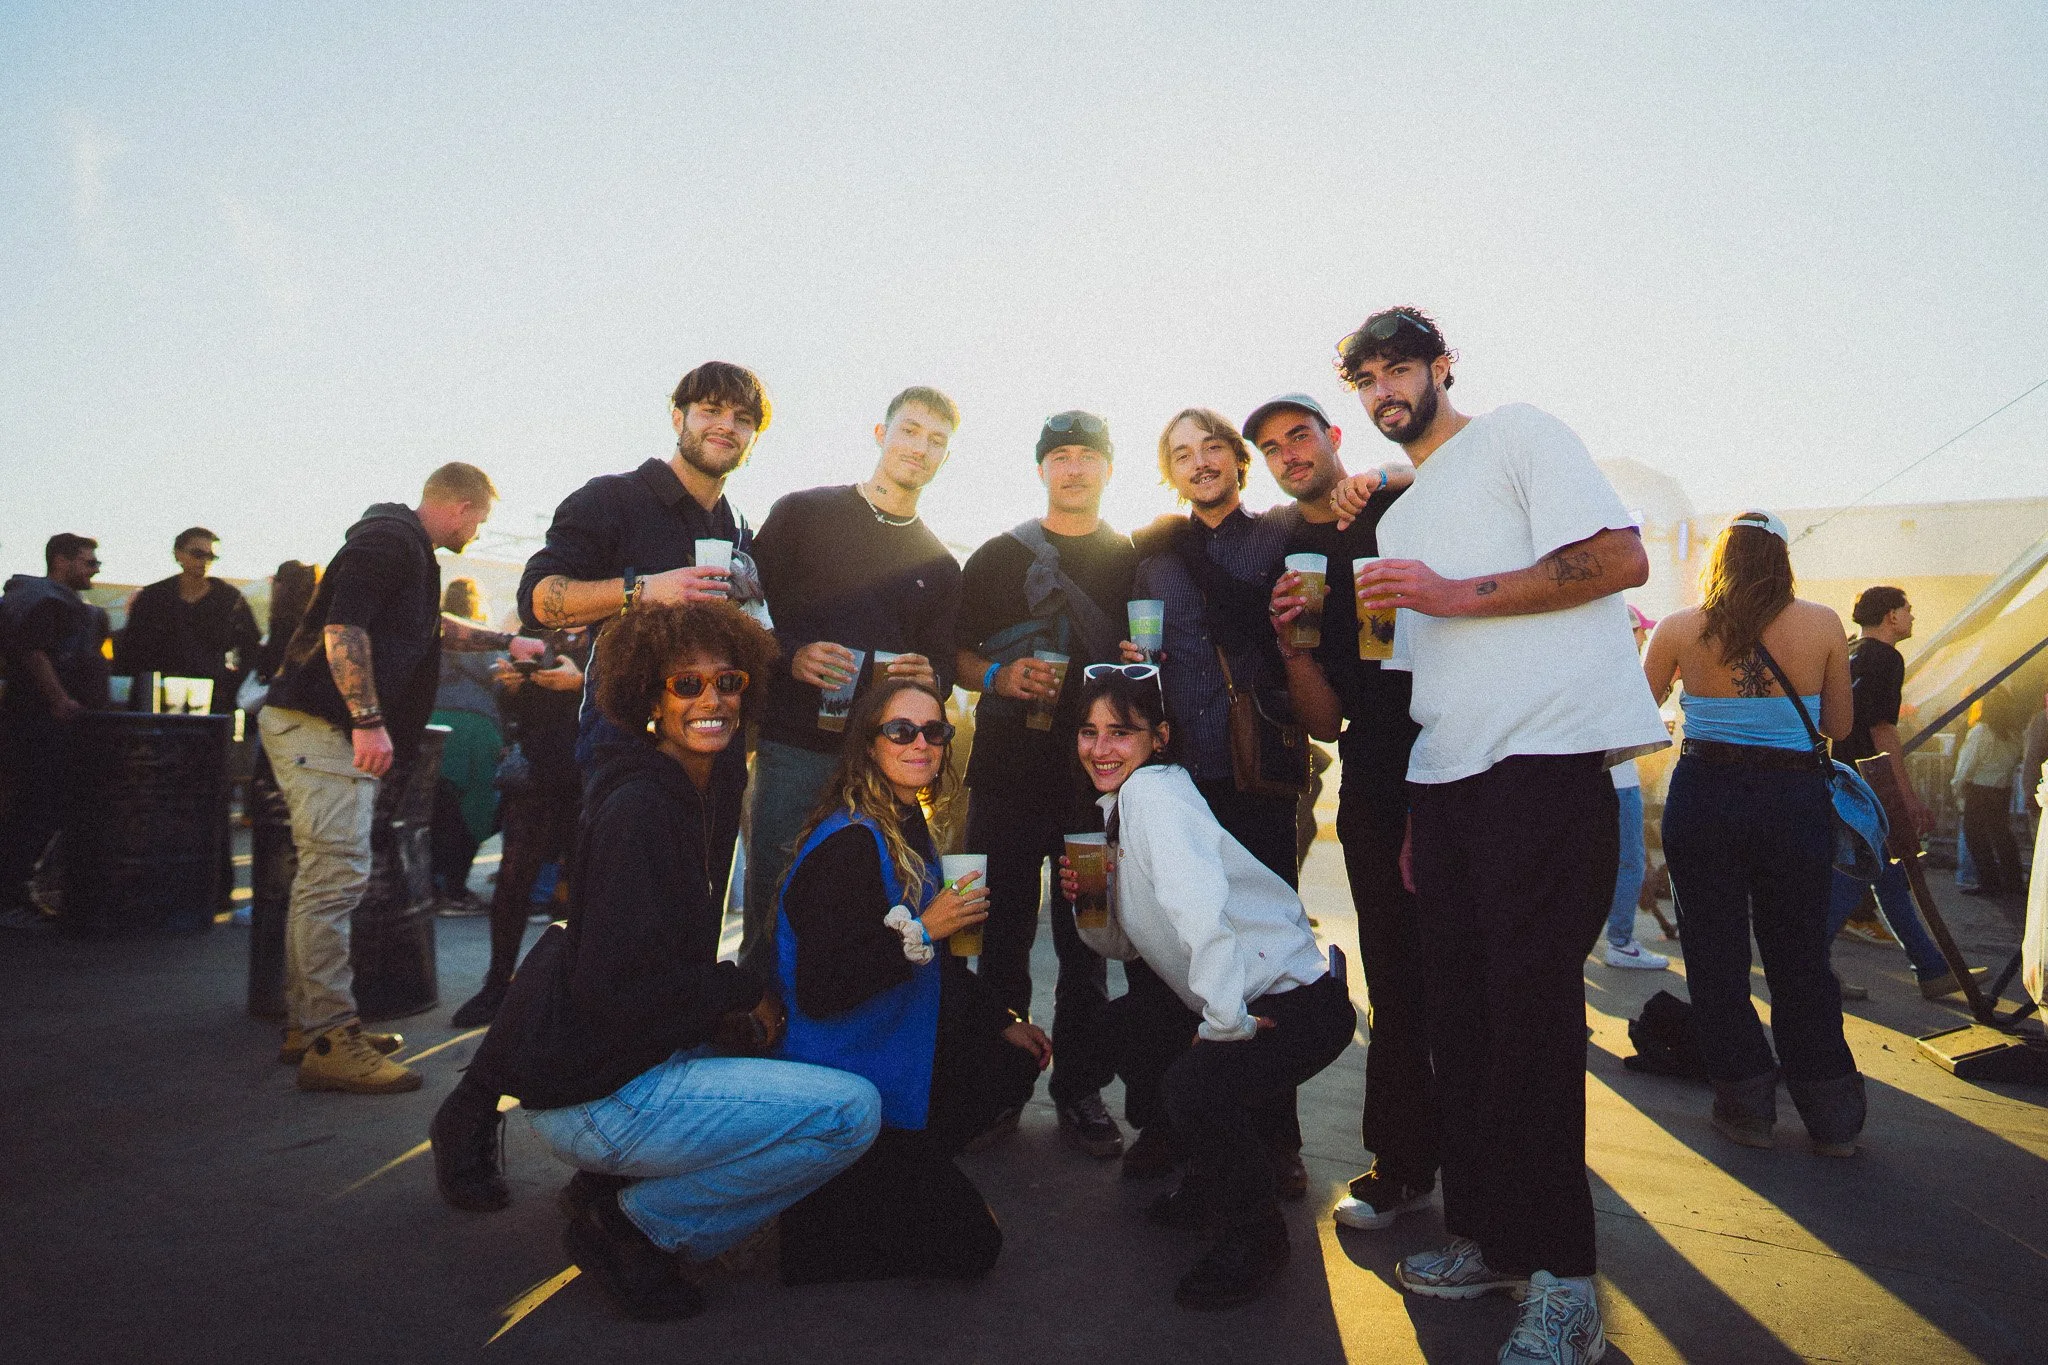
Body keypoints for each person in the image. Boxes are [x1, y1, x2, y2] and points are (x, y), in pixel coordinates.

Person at [1334, 306, 1669, 1365]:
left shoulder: (1520, 433)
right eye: (1365, 380)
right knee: (1461, 1031)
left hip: (1544, 768)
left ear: (1441, 366)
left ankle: (1565, 1282)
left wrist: (1453, 592)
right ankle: (1490, 1240)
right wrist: (1414, 807)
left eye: (1398, 369)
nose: (1384, 392)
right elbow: (1419, 680)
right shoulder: (1395, 522)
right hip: (1446, 788)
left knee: (1529, 1030)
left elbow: (1618, 558)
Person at [435, 601, 880, 1322]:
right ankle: (638, 1225)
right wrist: (736, 991)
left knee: (778, 1051)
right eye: (686, 685)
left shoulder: (687, 788)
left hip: (608, 1072)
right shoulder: (643, 808)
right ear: (650, 699)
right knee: (850, 1114)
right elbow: (614, 987)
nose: (712, 700)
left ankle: (612, 1188)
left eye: (728, 682)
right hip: (598, 1094)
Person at [1060, 670, 1355, 1310]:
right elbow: (1126, 948)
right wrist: (1093, 905)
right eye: (1089, 731)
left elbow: (1203, 915)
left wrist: (1224, 1026)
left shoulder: (1155, 799)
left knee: (1198, 1084)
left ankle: (1257, 1238)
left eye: (1121, 732)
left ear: (1159, 737)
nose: (1100, 748)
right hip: (1253, 999)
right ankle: (1210, 1179)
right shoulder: (1121, 809)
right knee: (1126, 1029)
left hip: (1299, 1003)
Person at [261, 463, 542, 1093]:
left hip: (320, 727)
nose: (478, 533)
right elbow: (343, 628)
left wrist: (506, 642)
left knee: (326, 877)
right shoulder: (389, 541)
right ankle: (330, 1038)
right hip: (322, 728)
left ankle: (311, 1025)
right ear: (462, 507)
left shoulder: (408, 550)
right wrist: (367, 719)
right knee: (335, 876)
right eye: (480, 521)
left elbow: (432, 628)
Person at [774, 678, 1050, 1285]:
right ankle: (807, 1217)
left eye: (934, 731)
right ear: (869, 743)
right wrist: (925, 929)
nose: (920, 743)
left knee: (1011, 1061)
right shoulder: (850, 841)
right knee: (972, 1248)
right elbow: (822, 991)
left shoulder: (905, 825)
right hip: (845, 1085)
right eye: (901, 731)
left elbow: (934, 973)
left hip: (895, 1062)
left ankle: (894, 1179)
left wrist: (1002, 1021)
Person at [1253, 392, 1438, 1236]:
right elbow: (1326, 723)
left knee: (1472, 975)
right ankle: (1402, 1165)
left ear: (1333, 436)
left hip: (1460, 750)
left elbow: (1442, 468)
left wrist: (1387, 473)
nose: (1289, 453)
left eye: (1300, 435)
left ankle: (1497, 1171)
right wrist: (1292, 650)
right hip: (1373, 766)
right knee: (1393, 974)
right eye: (1272, 446)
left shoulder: (1392, 499)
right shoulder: (1283, 546)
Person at [1117, 408, 1305, 1188]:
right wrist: (1133, 658)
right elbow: (1138, 659)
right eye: (1182, 453)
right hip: (1177, 776)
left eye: (1212, 447)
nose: (1199, 462)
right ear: (1169, 471)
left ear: (1238, 459)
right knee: (1169, 955)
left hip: (1254, 769)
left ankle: (1276, 1138)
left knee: (1268, 951)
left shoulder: (1279, 532)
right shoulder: (1154, 556)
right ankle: (1167, 1124)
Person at [1643, 510, 1867, 1163]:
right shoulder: (1822, 622)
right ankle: (1833, 1118)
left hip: (1705, 794)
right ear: (1781, 559)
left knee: (1714, 955)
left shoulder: (1679, 626)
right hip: (1792, 799)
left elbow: (1633, 712)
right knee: (1799, 955)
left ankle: (1746, 1108)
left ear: (1720, 558)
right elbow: (1838, 726)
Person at [952, 410, 1138, 1159]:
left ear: (1108, 469)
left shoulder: (1131, 558)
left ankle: (1080, 1087)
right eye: (1060, 456)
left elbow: (1148, 659)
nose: (1074, 468)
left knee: (1087, 935)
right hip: (1001, 781)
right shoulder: (997, 555)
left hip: (1090, 788)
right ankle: (1001, 1084)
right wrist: (1000, 674)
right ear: (1041, 469)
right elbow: (955, 654)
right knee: (996, 935)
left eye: (1088, 456)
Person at [743, 386, 965, 975]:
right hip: (796, 750)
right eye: (909, 430)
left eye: (935, 440)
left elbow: (943, 667)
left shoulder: (940, 565)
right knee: (773, 899)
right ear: (880, 434)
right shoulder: (803, 514)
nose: (919, 448)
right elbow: (744, 614)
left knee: (875, 906)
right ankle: (757, 1016)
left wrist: (931, 676)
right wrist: (791, 656)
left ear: (945, 456)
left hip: (882, 766)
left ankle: (840, 1017)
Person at [518, 360, 771, 765]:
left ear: (753, 437)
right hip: (626, 750)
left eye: (743, 419)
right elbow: (536, 601)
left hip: (717, 753)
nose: (726, 426)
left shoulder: (738, 527)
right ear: (678, 419)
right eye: (711, 410)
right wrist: (645, 590)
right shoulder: (611, 498)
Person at [448, 627, 590, 1027]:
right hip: (538, 770)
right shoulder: (535, 630)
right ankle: (498, 984)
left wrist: (581, 684)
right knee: (513, 880)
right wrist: (510, 688)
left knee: (580, 884)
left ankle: (571, 989)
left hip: (592, 773)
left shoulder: (610, 624)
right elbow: (518, 711)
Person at [1823, 587, 1960, 997]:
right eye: (1907, 609)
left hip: (1843, 777)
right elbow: (1882, 730)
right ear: (1890, 616)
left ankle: (1932, 969)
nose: (1912, 616)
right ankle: (1806, 970)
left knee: (1889, 877)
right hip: (1871, 784)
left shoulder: (1851, 651)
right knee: (1854, 876)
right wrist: (1906, 797)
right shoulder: (1887, 658)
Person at [0, 534, 110, 929]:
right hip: (42, 723)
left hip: (41, 720)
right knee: (37, 806)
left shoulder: (43, 601)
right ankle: (10, 895)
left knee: (35, 805)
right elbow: (34, 652)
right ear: (62, 561)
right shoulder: (47, 601)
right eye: (89, 562)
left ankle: (18, 889)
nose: (95, 569)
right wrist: (60, 699)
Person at [113, 526, 261, 714]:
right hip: (157, 697)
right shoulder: (153, 597)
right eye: (198, 554)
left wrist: (232, 684)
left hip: (212, 698)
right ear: (178, 554)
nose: (204, 561)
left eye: (211, 556)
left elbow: (251, 647)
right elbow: (130, 650)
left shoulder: (229, 598)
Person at [428, 577, 504, 913]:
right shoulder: (484, 638)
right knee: (475, 808)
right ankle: (455, 889)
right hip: (477, 727)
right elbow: (500, 680)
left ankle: (429, 885)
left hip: (432, 724)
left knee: (432, 808)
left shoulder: (434, 633)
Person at [1601, 604, 1670, 970]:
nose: (1646, 637)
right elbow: (1633, 729)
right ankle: (1621, 942)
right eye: (1642, 630)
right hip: (1620, 780)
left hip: (1596, 779)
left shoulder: (1596, 666)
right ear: (1629, 632)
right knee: (1630, 861)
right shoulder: (1624, 670)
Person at [1953, 688, 2025, 897]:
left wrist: (1957, 786)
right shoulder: (2013, 734)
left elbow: (1966, 764)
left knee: (1976, 837)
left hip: (1979, 789)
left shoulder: (1981, 731)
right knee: (2002, 836)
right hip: (2002, 790)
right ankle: (2013, 882)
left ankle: (1989, 882)